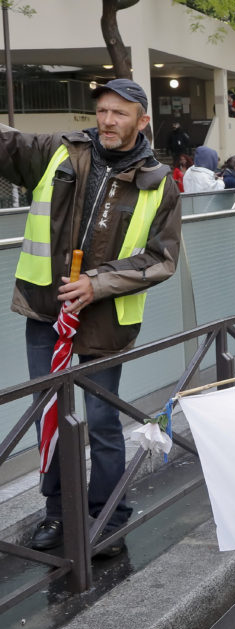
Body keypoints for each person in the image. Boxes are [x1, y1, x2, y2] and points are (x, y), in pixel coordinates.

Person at [0, 78, 181, 557]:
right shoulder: (61, 151)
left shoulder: (158, 182)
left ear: (142, 120)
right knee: (49, 415)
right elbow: (7, 143)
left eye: (119, 112)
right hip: (45, 313)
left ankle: (108, 515)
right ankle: (58, 514)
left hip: (103, 319)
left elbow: (161, 259)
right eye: (102, 110)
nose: (106, 120)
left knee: (102, 420)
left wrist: (96, 284)